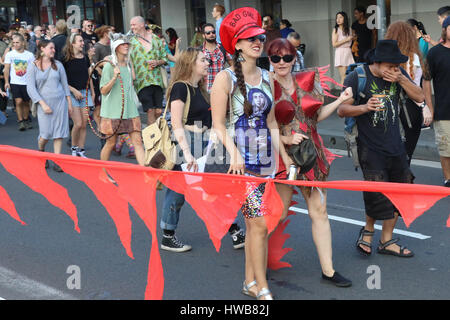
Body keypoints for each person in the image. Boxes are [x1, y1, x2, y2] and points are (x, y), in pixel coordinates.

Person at [212, 7, 292, 300]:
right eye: (250, 39)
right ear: (238, 46)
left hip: (268, 164)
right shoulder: (224, 79)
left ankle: (249, 281)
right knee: (257, 223)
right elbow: (218, 125)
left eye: (259, 36)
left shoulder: (268, 76)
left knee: (261, 225)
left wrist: (286, 156)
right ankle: (263, 287)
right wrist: (234, 154)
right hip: (242, 169)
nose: (258, 42)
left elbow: (272, 122)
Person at [268, 38, 353, 287]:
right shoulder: (263, 85)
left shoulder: (307, 80)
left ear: (294, 58)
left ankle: (328, 270)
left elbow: (316, 117)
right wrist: (285, 138)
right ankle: (256, 253)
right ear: (270, 60)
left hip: (310, 155)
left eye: (286, 57)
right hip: (280, 156)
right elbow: (259, 127)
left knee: (320, 210)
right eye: (275, 58)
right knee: (279, 212)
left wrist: (339, 101)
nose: (281, 62)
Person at [338, 40, 424, 257]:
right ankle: (368, 231)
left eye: (397, 66)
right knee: (376, 194)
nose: (394, 69)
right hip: (370, 147)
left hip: (396, 145)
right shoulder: (357, 77)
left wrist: (402, 78)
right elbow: (341, 109)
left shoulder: (399, 74)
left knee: (399, 193)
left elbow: (420, 97)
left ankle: (386, 240)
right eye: (390, 66)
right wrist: (364, 107)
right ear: (377, 62)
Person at [159, 48, 211, 252]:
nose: (207, 63)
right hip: (187, 144)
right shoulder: (180, 87)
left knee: (214, 188)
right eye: (203, 60)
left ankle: (234, 231)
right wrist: (187, 153)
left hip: (205, 143)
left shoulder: (200, 88)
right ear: (191, 63)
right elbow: (177, 123)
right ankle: (168, 236)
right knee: (177, 191)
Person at [385, 21, 433, 165]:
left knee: (389, 155)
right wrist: (424, 106)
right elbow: (415, 86)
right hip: (410, 109)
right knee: (406, 156)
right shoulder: (413, 57)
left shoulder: (383, 58)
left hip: (388, 108)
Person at [26, 40, 73, 172]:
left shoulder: (58, 65)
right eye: (51, 48)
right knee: (45, 135)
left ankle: (57, 161)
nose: (54, 50)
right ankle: (41, 151)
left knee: (59, 133)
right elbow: (31, 88)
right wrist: (42, 103)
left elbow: (65, 85)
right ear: (42, 49)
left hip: (60, 103)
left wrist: (69, 103)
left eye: (54, 48)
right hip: (44, 104)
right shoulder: (33, 66)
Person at [99, 36, 145, 166]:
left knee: (138, 143)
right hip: (113, 112)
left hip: (130, 110)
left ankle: (147, 175)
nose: (126, 46)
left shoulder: (128, 65)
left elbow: (132, 80)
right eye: (123, 44)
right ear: (116, 47)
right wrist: (114, 77)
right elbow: (103, 90)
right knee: (111, 143)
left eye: (127, 44)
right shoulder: (109, 66)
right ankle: (102, 172)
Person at [423, 16, 450, 187]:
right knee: (446, 148)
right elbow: (426, 80)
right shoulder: (434, 53)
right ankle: (448, 178)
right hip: (444, 109)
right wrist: (429, 107)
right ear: (445, 29)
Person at [129, 16, 168, 126]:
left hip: (157, 80)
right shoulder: (131, 42)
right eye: (131, 25)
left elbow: (164, 58)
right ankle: (152, 140)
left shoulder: (156, 39)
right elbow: (128, 61)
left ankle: (152, 133)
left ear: (142, 24)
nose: (132, 27)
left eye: (134, 24)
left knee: (158, 111)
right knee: (150, 111)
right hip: (141, 82)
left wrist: (157, 62)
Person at [63, 33, 95, 158]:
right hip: (72, 94)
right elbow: (63, 80)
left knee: (84, 123)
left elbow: (89, 76)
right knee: (78, 123)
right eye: (80, 41)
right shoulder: (65, 60)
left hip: (85, 92)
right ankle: (74, 147)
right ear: (73, 44)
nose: (83, 43)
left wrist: (92, 92)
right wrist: (74, 91)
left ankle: (81, 150)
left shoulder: (85, 58)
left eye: (82, 41)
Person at [3, 33, 35, 131]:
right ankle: (20, 121)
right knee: (18, 101)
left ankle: (26, 120)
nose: (15, 44)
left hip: (27, 82)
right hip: (15, 82)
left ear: (22, 43)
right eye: (14, 43)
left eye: (17, 42)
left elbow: (33, 69)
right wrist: (6, 81)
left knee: (26, 102)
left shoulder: (29, 55)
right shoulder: (10, 54)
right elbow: (7, 69)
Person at [200, 23, 232, 93]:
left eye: (213, 32)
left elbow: (233, 65)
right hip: (205, 91)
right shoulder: (199, 51)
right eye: (208, 33)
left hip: (222, 89)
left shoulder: (223, 48)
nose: (211, 34)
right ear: (203, 35)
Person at [332, 12, 355, 85]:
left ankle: (348, 93)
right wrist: (346, 40)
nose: (338, 19)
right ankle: (343, 94)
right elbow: (334, 44)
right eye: (337, 18)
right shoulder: (336, 30)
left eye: (340, 17)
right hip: (340, 52)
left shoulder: (349, 29)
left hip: (348, 52)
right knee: (344, 76)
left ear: (344, 18)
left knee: (349, 76)